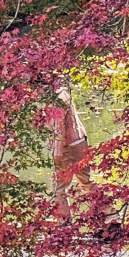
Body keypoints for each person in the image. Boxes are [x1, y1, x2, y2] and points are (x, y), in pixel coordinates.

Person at [50, 86, 92, 218]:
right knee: (86, 183)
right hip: (81, 142)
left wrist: (57, 156)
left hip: (68, 147)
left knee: (58, 189)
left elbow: (58, 130)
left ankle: (64, 225)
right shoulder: (64, 94)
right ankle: (110, 216)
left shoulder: (56, 100)